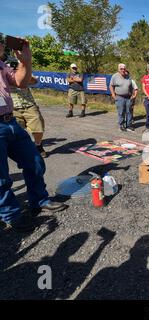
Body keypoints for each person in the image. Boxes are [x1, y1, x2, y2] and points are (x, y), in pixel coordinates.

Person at [0, 37, 67, 232]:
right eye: (1, 42)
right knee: (1, 177)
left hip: (10, 121)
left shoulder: (2, 64)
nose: (4, 45)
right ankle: (12, 216)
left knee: (35, 161)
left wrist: (25, 61)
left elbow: (21, 82)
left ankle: (38, 200)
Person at [109, 64, 138, 132]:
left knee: (129, 111)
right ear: (118, 69)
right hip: (119, 97)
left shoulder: (128, 76)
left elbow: (131, 86)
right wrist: (113, 94)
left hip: (128, 97)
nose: (123, 70)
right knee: (121, 112)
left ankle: (129, 125)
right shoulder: (115, 76)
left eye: (124, 68)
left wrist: (133, 95)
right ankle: (121, 125)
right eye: (121, 68)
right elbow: (111, 86)